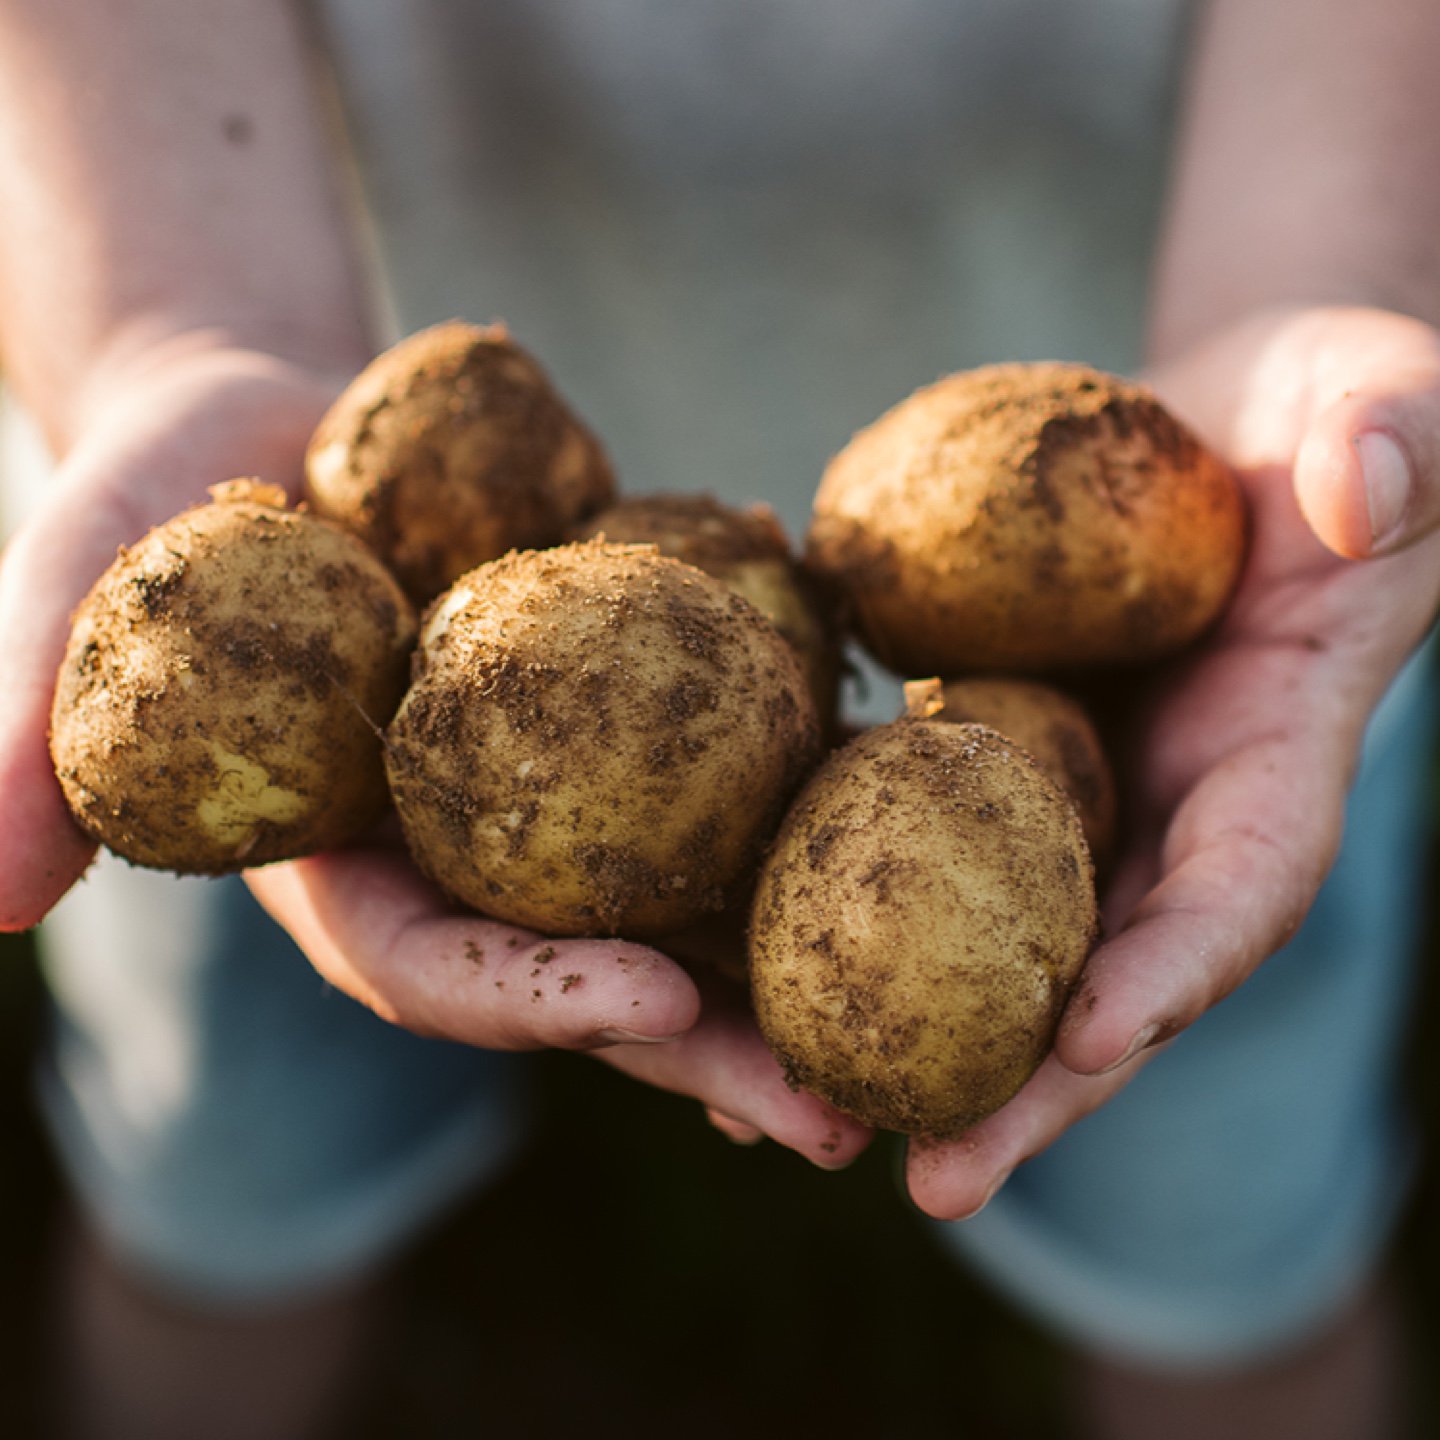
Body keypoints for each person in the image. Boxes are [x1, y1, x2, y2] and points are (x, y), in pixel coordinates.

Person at [1, 1, 1438, 1436]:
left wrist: (1324, 271)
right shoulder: (370, 606)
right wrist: (166, 322)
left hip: (1184, 397)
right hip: (291, 314)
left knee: (1228, 1247)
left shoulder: (1012, 681)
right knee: (216, 1167)